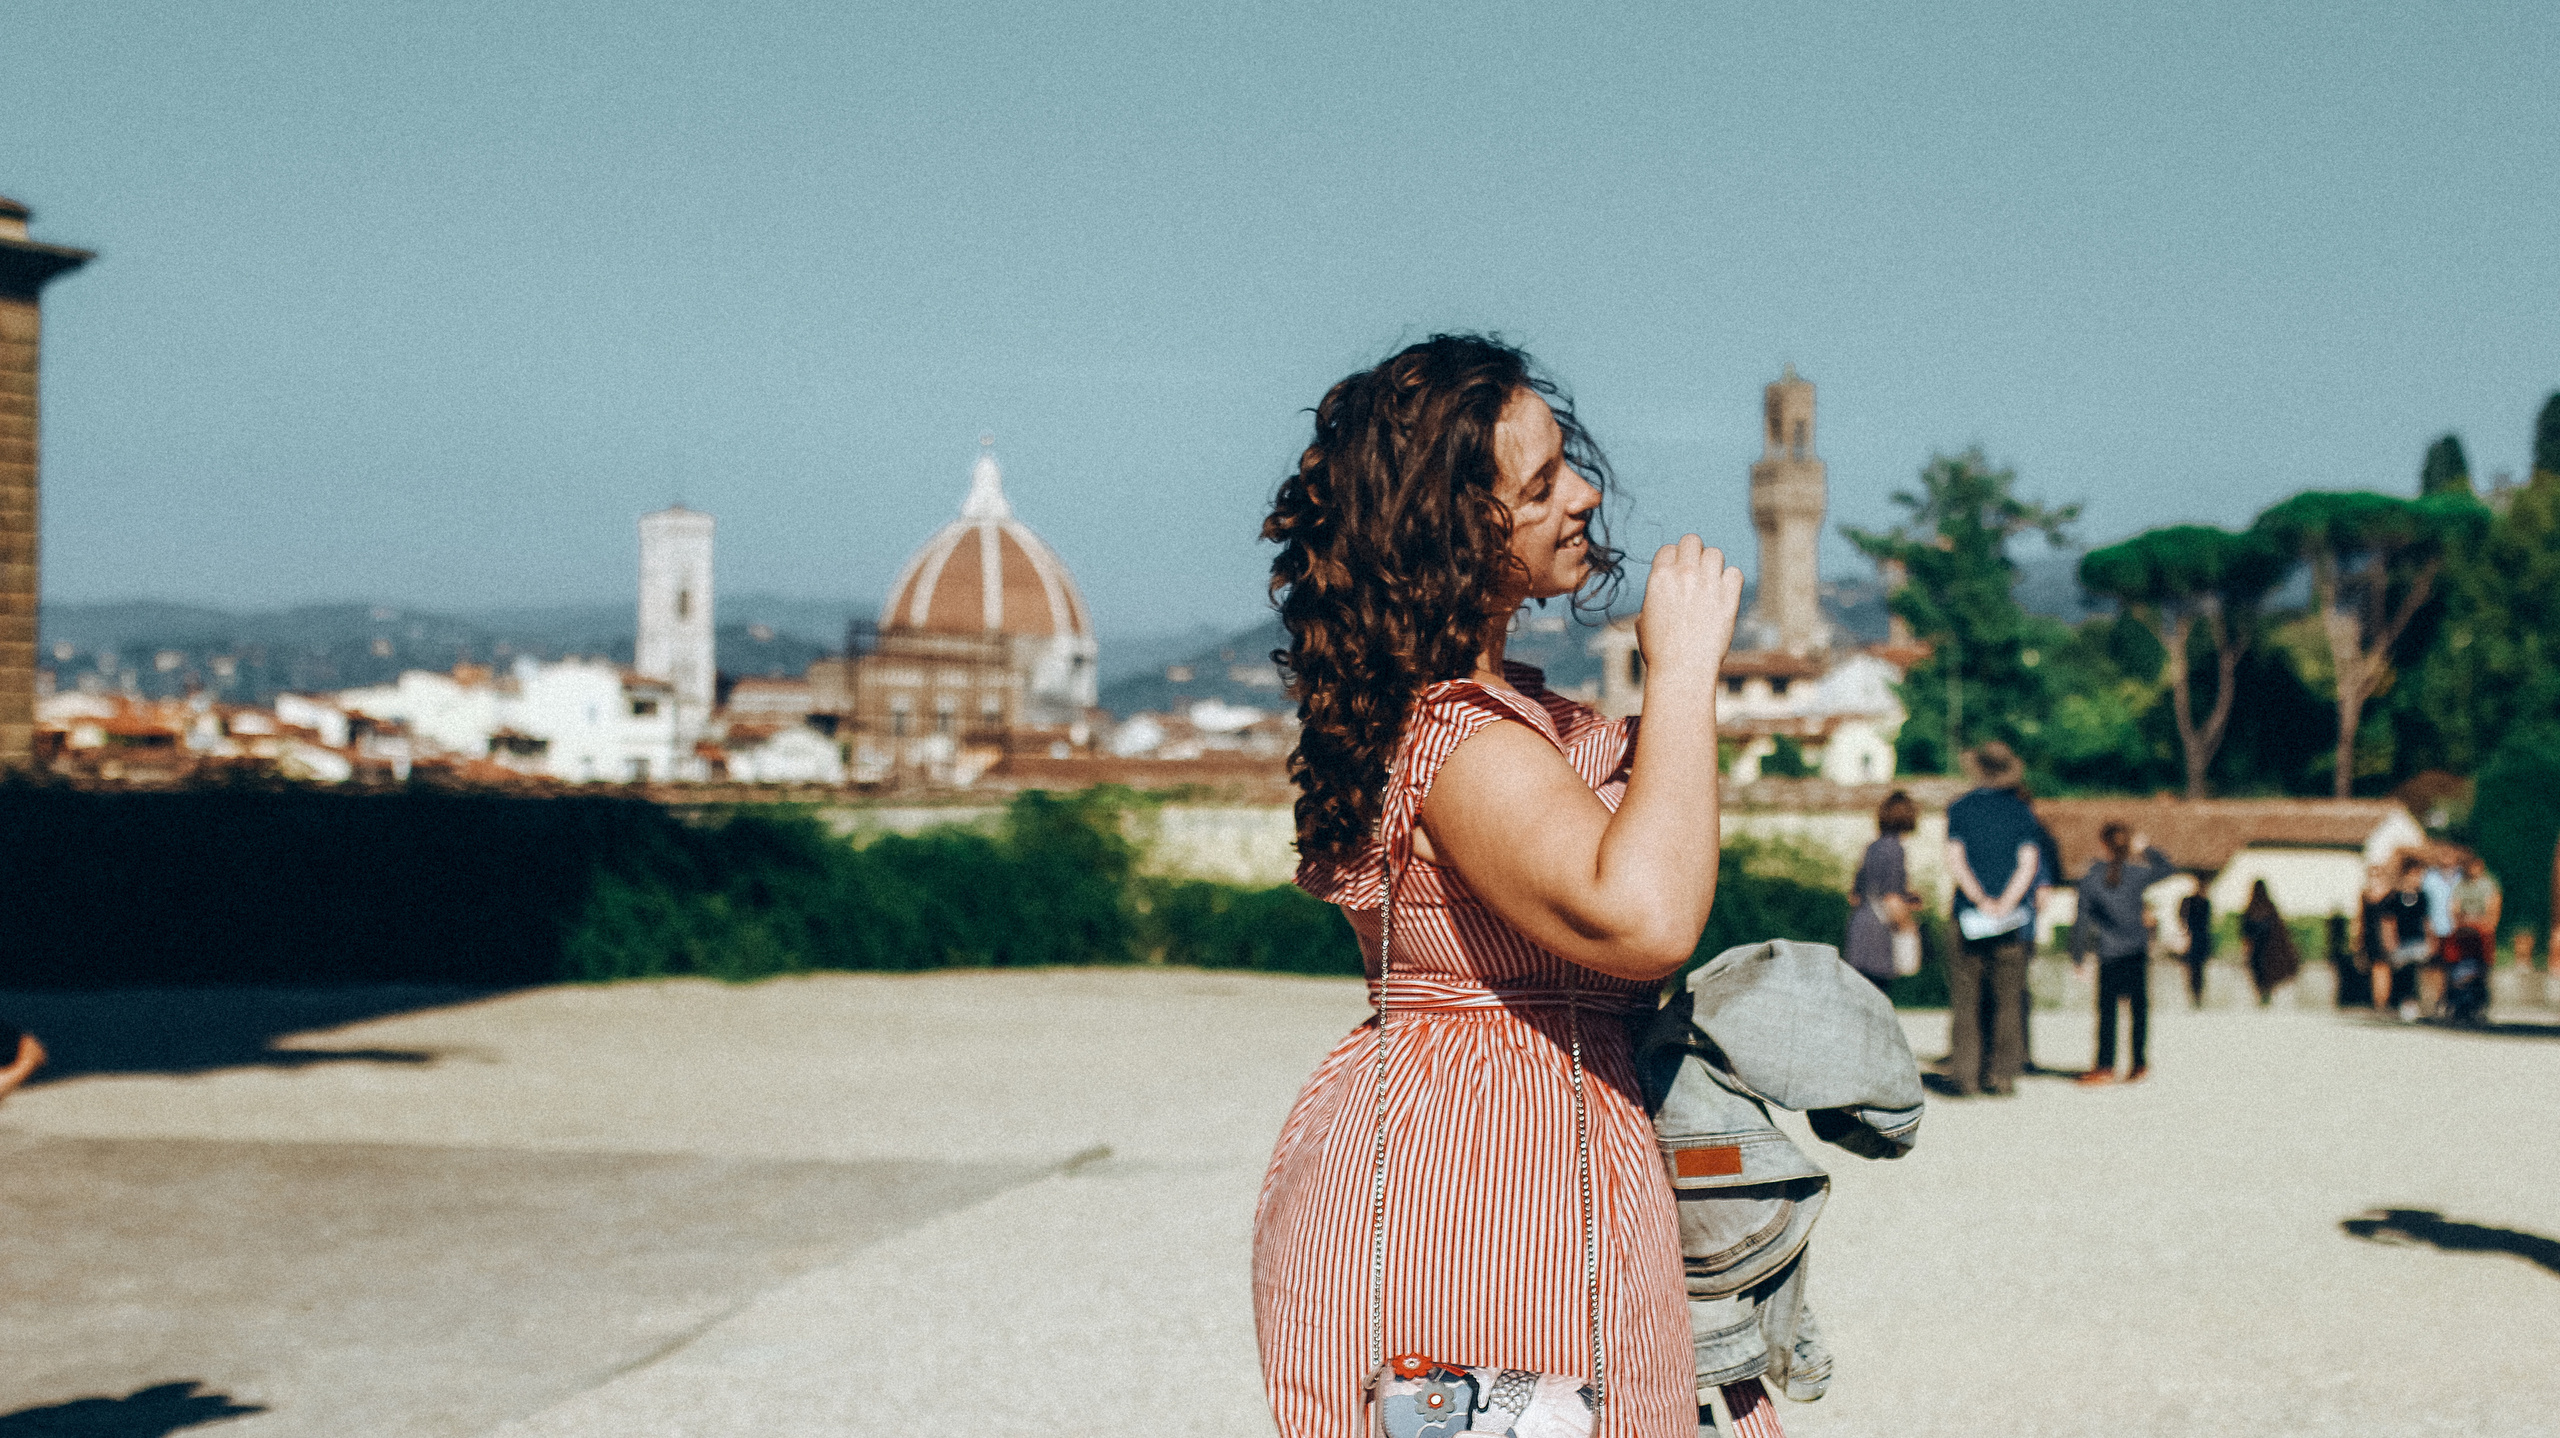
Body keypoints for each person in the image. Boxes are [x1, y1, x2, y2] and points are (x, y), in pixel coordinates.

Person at [1251, 336, 1751, 1438]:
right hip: (1484, 1186)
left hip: (1518, 1154)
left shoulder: (1492, 719)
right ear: (1454, 535)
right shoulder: (1455, 734)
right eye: (1541, 483)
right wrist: (1682, 672)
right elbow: (1644, 916)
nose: (1584, 494)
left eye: (1567, 462)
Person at [1943, 740, 2043, 1097]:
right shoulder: (2021, 812)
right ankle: (2001, 1075)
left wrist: (1980, 899)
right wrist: (2005, 902)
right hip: (2011, 919)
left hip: (1967, 915)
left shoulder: (1959, 809)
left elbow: (1955, 860)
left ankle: (1966, 1075)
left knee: (1967, 1000)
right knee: (2007, 1000)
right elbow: (2028, 864)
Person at [2070, 823, 2175, 1084]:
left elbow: (2081, 920)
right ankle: (2139, 1064)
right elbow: (2168, 868)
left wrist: (2078, 956)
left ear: (2102, 845)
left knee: (2107, 1013)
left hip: (2109, 952)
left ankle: (2105, 1066)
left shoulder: (2091, 878)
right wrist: (2147, 848)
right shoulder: (2137, 874)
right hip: (2137, 950)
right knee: (2139, 1011)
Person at [1845, 790, 1922, 992]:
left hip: (1860, 926)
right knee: (1879, 996)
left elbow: (1855, 896)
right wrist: (1908, 928)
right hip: (1879, 934)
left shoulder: (1872, 847)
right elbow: (1892, 899)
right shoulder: (1896, 850)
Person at [2373, 856, 2430, 1020]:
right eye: (2414, 875)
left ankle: (2419, 1004)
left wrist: (2430, 940)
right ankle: (2403, 1003)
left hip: (2418, 941)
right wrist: (2389, 940)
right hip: (2401, 942)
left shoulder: (2422, 897)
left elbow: (2426, 921)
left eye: (2419, 875)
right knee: (2403, 974)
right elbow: (2389, 921)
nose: (2417, 879)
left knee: (2417, 973)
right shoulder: (2395, 897)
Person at [2238, 880, 2299, 1005]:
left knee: (2261, 977)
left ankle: (2263, 999)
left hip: (2261, 950)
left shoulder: (2252, 909)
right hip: (2266, 950)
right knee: (2264, 978)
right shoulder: (2267, 908)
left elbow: (2246, 932)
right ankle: (2265, 999)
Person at [2178, 889, 2214, 1008]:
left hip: (2198, 939)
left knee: (2197, 969)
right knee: (2194, 969)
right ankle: (2195, 996)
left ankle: (2197, 996)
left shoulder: (2204, 903)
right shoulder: (2191, 902)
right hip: (2194, 939)